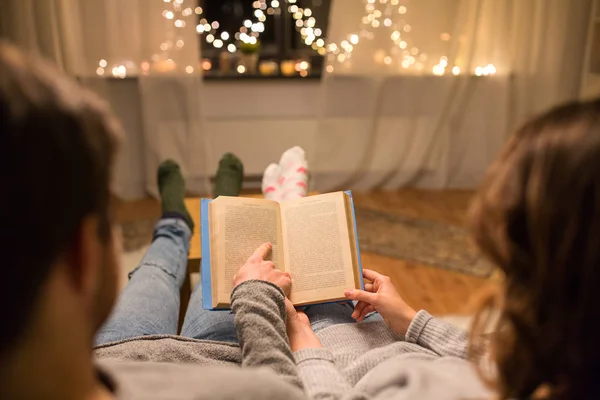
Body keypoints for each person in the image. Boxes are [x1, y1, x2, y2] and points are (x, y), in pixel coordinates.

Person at [0, 41, 305, 399]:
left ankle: (178, 219)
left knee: (159, 268)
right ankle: (207, 217)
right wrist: (255, 294)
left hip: (117, 353)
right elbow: (283, 385)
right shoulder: (255, 392)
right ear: (82, 257)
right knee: (208, 266)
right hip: (211, 360)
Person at [284, 97, 600, 400]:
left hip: (344, 362)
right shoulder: (567, 360)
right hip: (406, 348)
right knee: (334, 288)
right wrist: (411, 319)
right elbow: (498, 358)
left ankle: (287, 206)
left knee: (306, 299)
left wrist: (305, 351)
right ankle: (289, 206)